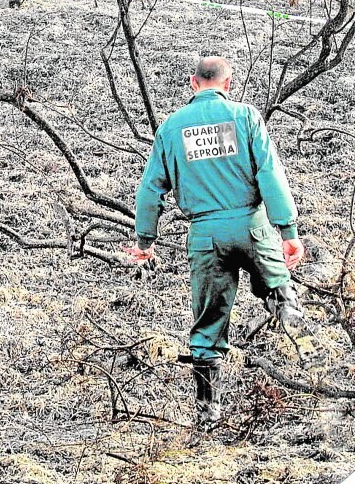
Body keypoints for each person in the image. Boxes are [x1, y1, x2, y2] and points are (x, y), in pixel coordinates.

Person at [126, 56, 305, 425]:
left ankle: (208, 410)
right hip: (252, 228)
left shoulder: (172, 128)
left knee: (207, 328)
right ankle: (307, 346)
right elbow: (271, 174)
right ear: (228, 84)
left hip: (205, 237)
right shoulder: (245, 117)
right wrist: (287, 231)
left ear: (194, 83)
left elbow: (149, 191)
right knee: (278, 287)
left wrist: (145, 241)